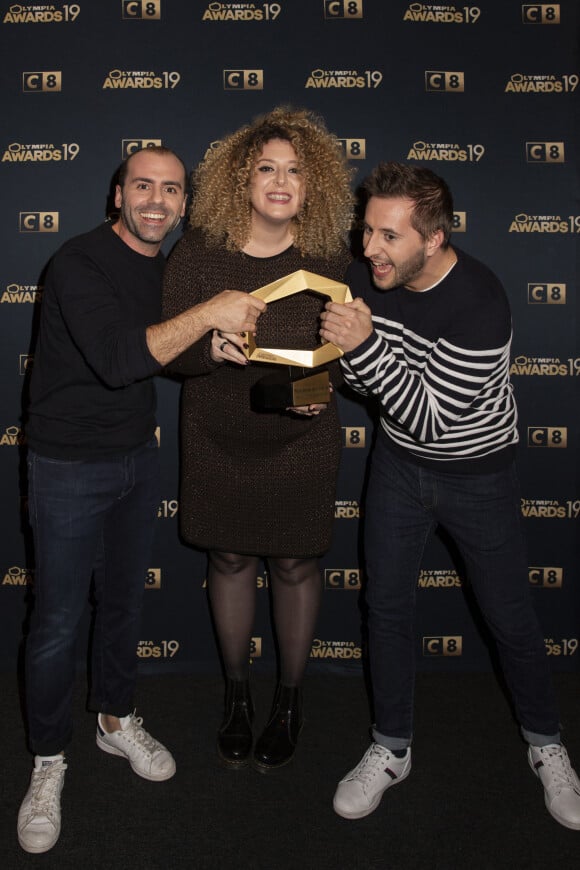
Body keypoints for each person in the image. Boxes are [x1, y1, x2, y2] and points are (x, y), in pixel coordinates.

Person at [17, 145, 266, 854]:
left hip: (135, 458)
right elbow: (122, 356)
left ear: (185, 203)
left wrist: (211, 349)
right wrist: (210, 311)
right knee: (60, 621)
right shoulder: (77, 262)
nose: (157, 201)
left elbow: (169, 354)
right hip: (66, 464)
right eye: (143, 186)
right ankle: (46, 761)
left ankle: (116, 720)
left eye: (171, 190)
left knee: (124, 605)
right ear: (118, 192)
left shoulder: (166, 267)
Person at [319, 162, 580, 829]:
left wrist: (367, 346)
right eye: (366, 229)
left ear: (433, 239)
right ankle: (391, 745)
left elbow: (431, 416)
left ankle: (547, 745)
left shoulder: (480, 301)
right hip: (399, 469)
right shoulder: (362, 278)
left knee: (510, 618)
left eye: (387, 236)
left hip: (477, 474)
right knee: (387, 608)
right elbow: (360, 387)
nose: (367, 248)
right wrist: (350, 356)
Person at [162, 106, 353, 772]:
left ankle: (290, 700)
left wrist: (323, 387)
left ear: (315, 183)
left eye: (295, 170)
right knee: (230, 563)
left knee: (298, 565)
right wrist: (207, 347)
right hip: (216, 436)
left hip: (300, 442)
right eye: (267, 168)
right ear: (241, 178)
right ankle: (238, 697)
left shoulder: (328, 256)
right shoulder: (199, 251)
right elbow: (170, 353)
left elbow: (346, 357)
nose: (280, 181)